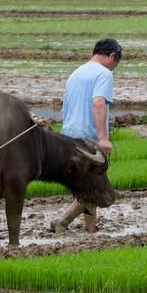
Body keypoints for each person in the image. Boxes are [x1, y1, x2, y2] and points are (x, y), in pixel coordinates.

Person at [50, 38, 122, 233]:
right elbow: (98, 103)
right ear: (112, 56)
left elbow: (66, 107)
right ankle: (63, 221)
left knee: (87, 185)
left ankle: (91, 230)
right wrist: (103, 138)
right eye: (116, 63)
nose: (114, 68)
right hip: (87, 140)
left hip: (69, 138)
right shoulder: (103, 73)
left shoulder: (77, 72)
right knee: (95, 187)